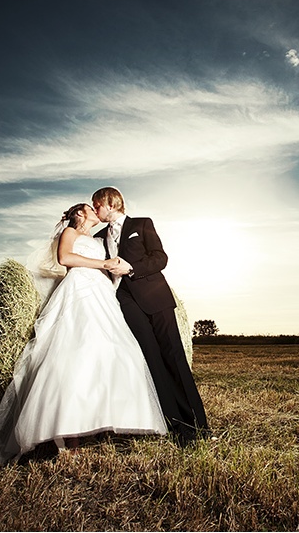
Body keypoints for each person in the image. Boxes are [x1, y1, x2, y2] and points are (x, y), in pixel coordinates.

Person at [0, 203, 167, 469]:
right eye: (91, 209)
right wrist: (103, 264)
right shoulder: (70, 234)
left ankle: (101, 420)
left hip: (102, 293)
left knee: (116, 350)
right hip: (80, 289)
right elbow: (65, 259)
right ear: (80, 215)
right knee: (76, 350)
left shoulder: (99, 240)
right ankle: (66, 430)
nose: (96, 213)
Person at [91, 186, 209, 445]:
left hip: (156, 298)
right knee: (152, 362)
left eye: (96, 204)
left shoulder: (142, 224)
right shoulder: (98, 237)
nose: (95, 209)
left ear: (110, 203)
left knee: (175, 358)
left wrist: (131, 267)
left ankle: (199, 425)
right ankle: (177, 428)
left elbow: (160, 258)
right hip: (125, 303)